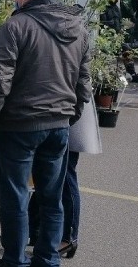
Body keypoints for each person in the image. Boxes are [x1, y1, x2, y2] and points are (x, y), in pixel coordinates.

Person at [0, 0, 91, 267]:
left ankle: (14, 264)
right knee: (51, 195)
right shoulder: (77, 27)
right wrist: (70, 114)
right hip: (59, 124)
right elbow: (84, 81)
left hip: (21, 124)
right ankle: (47, 262)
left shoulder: (16, 26)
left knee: (14, 195)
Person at [28, 95, 101, 258]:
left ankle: (69, 237)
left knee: (66, 175)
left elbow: (81, 83)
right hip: (60, 111)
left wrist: (71, 116)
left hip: (66, 114)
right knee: (45, 174)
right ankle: (34, 229)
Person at [101, 0, 138, 83]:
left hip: (118, 36)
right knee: (109, 57)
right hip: (107, 38)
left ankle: (132, 74)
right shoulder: (103, 8)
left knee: (127, 51)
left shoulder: (116, 7)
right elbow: (103, 23)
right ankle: (108, 77)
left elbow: (122, 18)